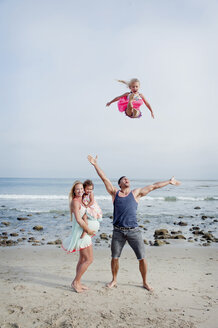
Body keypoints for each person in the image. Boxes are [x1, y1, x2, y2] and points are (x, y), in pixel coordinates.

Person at [87, 155, 181, 291]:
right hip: (118, 231)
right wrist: (95, 164)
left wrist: (169, 181)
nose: (127, 180)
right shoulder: (115, 193)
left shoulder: (136, 193)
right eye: (124, 179)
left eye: (128, 179)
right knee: (114, 257)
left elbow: (154, 186)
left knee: (142, 258)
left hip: (134, 231)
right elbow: (104, 179)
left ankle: (145, 282)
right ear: (119, 184)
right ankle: (114, 280)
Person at [61, 181, 99, 293]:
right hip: (81, 232)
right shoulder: (75, 202)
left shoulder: (81, 200)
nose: (80, 191)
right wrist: (88, 230)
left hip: (83, 231)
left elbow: (85, 215)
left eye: (82, 189)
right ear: (74, 191)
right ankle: (75, 282)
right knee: (89, 259)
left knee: (82, 259)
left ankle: (78, 281)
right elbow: (78, 219)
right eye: (77, 189)